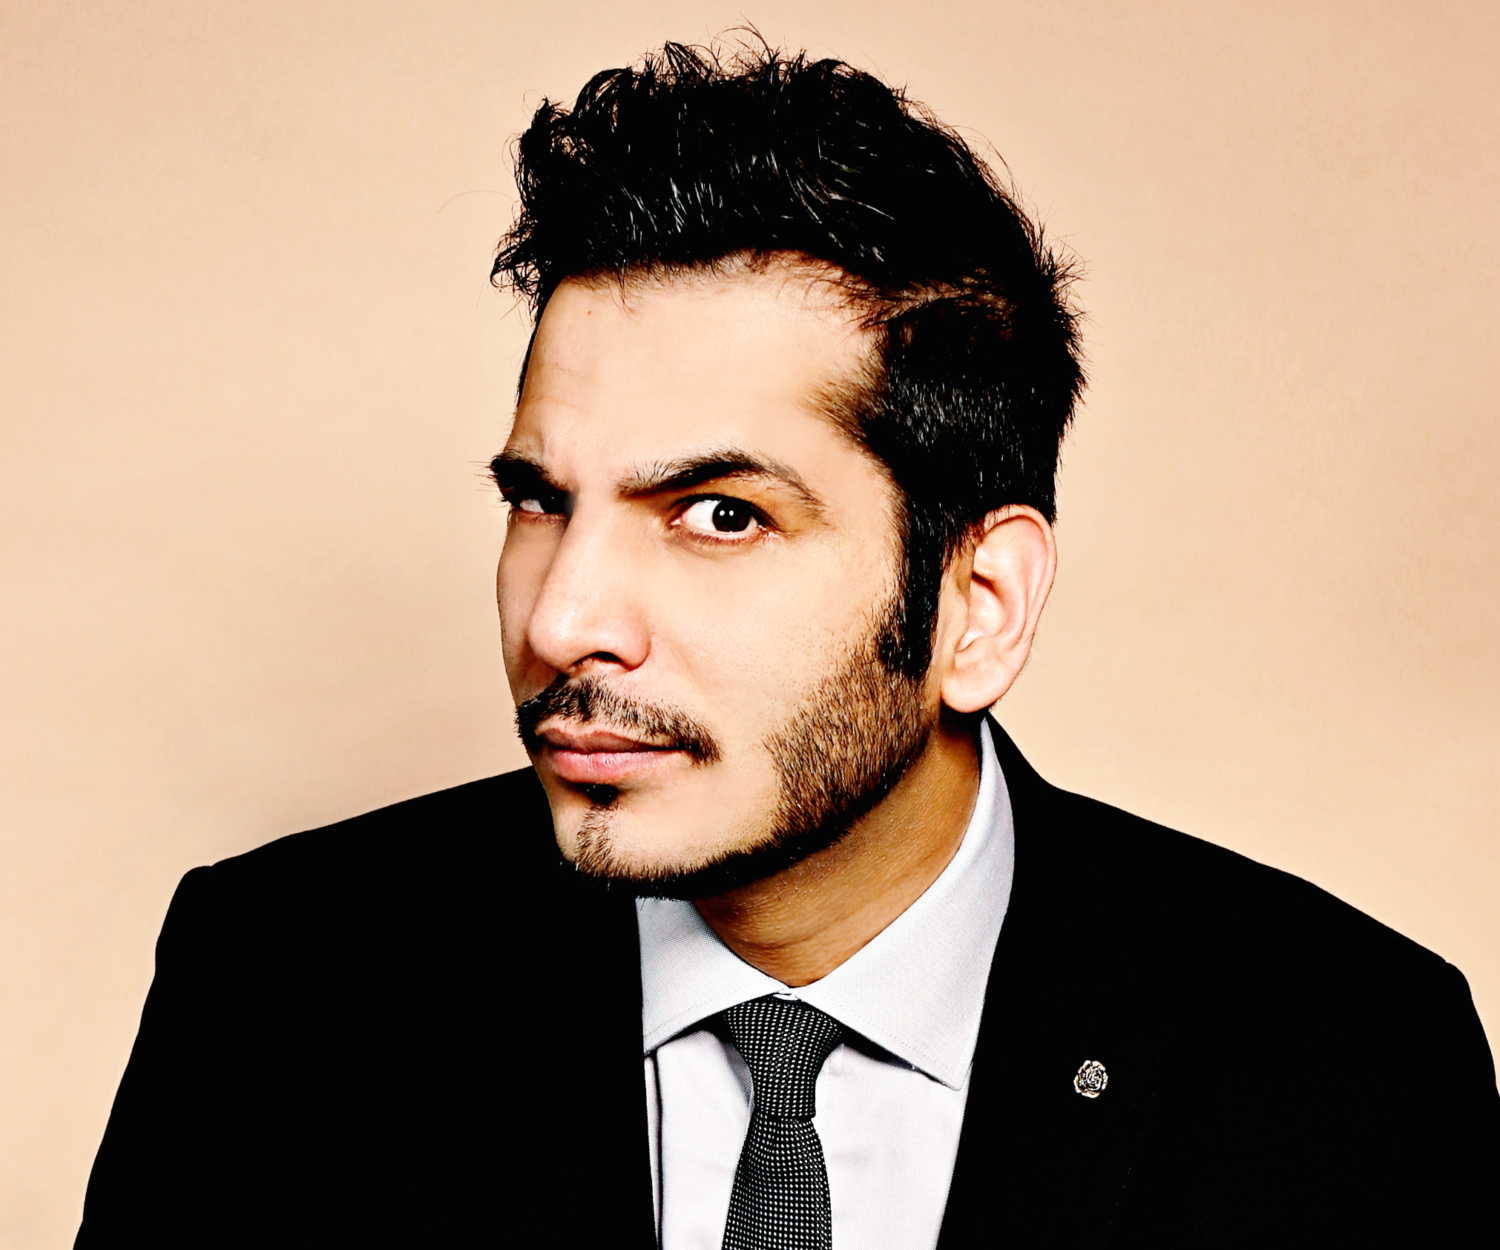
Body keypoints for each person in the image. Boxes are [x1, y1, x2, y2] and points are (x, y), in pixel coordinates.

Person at [75, 40, 1497, 1249]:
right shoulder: (279, 995)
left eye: (719, 514)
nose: (562, 620)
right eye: (540, 501)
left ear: (979, 605)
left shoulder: (1345, 1066)